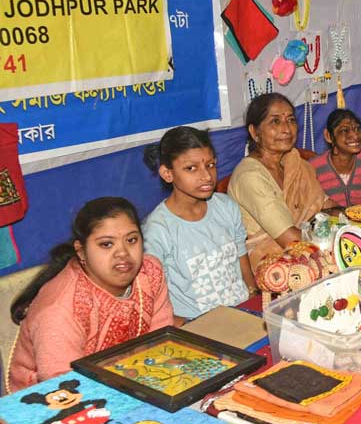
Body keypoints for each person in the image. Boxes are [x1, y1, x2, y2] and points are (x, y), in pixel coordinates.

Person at [6, 198, 174, 392]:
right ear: (81, 251)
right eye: (106, 244)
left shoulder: (150, 272)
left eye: (131, 240)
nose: (123, 253)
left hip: (131, 380)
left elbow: (162, 343)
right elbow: (64, 385)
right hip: (54, 399)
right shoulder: (59, 310)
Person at [142, 126, 256, 322]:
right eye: (191, 168)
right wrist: (192, 329)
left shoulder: (226, 207)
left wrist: (253, 301)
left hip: (243, 313)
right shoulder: (157, 231)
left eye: (210, 165)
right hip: (197, 326)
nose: (206, 176)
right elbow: (153, 303)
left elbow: (243, 265)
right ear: (167, 173)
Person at [227, 93, 336, 269]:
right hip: (272, 265)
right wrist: (337, 247)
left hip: (309, 248)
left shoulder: (294, 163)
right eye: (275, 121)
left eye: (291, 120)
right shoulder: (249, 176)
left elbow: (326, 205)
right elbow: (291, 240)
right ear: (254, 132)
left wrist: (354, 226)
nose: (287, 129)